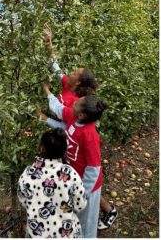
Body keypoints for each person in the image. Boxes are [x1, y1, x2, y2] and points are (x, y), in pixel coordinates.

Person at [40, 24, 118, 231]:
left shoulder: (76, 106)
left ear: (78, 82)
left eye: (75, 72)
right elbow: (56, 68)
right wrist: (49, 44)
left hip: (74, 152)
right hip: (71, 151)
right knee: (81, 194)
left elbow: (60, 113)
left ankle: (104, 212)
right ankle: (98, 212)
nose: (70, 72)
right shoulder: (70, 90)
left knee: (88, 197)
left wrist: (47, 94)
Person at [43, 83, 106, 238]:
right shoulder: (74, 118)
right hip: (73, 180)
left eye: (77, 103)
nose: (74, 102)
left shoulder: (90, 135)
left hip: (87, 188)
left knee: (87, 222)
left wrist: (83, 192)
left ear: (82, 115)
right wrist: (47, 92)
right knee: (74, 217)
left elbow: (93, 167)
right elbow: (58, 109)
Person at [17, 128, 87, 238]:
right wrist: (63, 207)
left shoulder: (27, 174)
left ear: (41, 148)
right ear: (64, 151)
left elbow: (23, 200)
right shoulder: (70, 174)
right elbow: (80, 204)